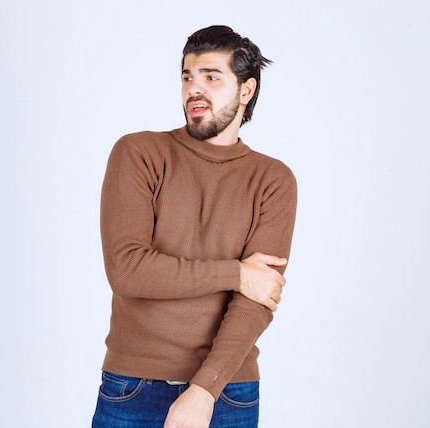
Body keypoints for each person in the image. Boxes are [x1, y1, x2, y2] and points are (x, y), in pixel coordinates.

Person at [91, 25, 297, 428]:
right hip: (133, 386)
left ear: (246, 90)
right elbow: (128, 271)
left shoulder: (273, 180)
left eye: (211, 77)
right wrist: (236, 273)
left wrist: (204, 391)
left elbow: (257, 299)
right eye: (187, 77)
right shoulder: (140, 153)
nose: (194, 89)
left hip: (228, 392)